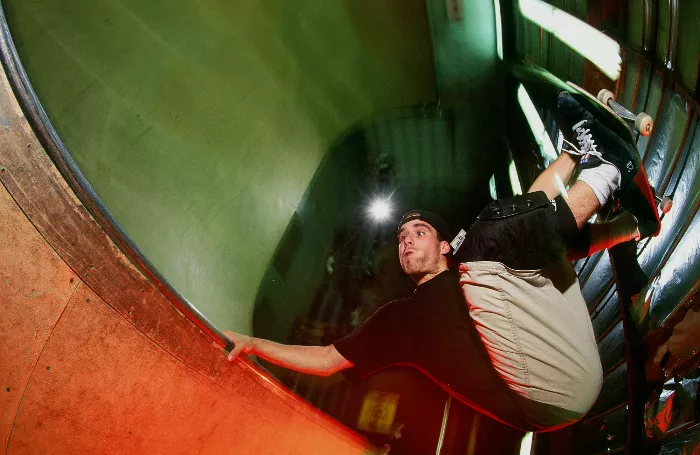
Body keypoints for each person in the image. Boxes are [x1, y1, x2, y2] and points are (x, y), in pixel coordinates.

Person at [224, 93, 644, 431]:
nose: (405, 242)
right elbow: (328, 360)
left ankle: (623, 210)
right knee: (489, 236)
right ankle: (608, 171)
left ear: (443, 245)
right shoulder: (402, 320)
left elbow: (550, 237)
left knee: (524, 233)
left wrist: (583, 181)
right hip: (545, 396)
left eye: (417, 233)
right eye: (401, 238)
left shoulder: (480, 271)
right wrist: (255, 345)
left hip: (561, 354)